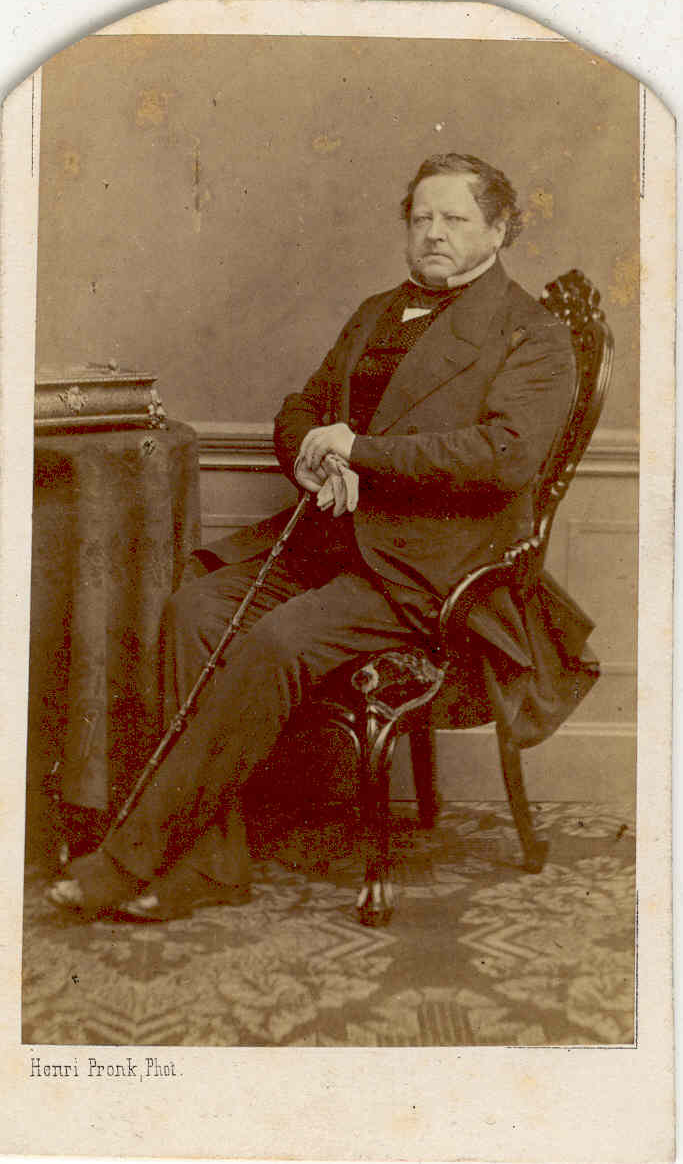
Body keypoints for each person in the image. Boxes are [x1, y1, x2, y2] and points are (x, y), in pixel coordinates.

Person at [48, 151, 586, 921]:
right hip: (332, 542)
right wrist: (308, 451)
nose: (433, 233)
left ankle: (130, 857)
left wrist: (359, 451)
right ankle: (210, 864)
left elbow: (504, 458)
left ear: (499, 229)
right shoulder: (376, 311)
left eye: (454, 218)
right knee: (194, 610)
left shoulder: (530, 334)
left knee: (275, 642)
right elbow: (303, 405)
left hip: (428, 571)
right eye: (420, 218)